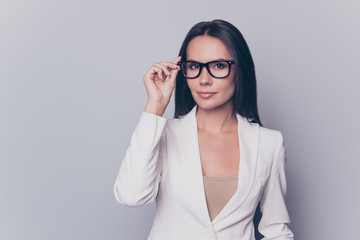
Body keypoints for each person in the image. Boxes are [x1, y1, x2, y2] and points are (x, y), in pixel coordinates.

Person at [114, 19, 294, 240]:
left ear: (240, 70)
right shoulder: (164, 134)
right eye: (194, 66)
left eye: (218, 65)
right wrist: (154, 108)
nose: (204, 80)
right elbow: (131, 196)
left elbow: (276, 230)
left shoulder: (269, 144)